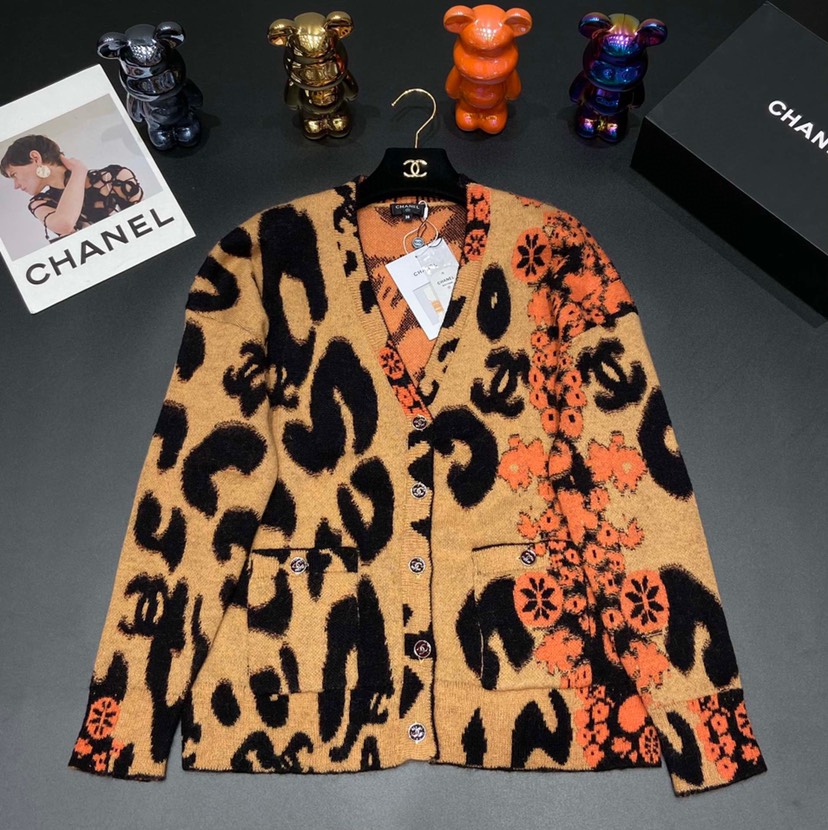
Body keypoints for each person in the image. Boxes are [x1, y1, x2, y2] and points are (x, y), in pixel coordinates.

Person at [0, 134, 143, 243]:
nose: (16, 185)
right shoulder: (40, 203)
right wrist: (78, 172)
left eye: (14, 175)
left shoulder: (115, 177)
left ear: (35, 158)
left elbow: (146, 224)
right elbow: (64, 224)